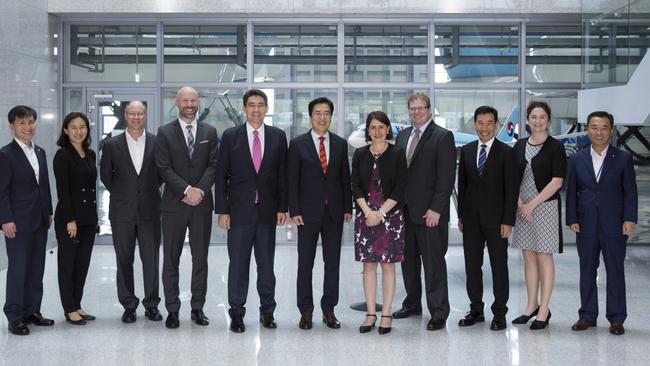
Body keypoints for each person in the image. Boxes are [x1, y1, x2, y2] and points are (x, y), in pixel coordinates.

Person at [215, 89, 288, 333]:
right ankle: (236, 313)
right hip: (239, 213)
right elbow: (221, 175)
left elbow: (282, 176)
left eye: (260, 105)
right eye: (251, 105)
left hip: (267, 213)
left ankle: (268, 311)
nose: (256, 109)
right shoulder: (230, 136)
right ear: (244, 109)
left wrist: (282, 207)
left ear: (267, 109)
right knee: (238, 266)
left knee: (266, 266)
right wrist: (222, 211)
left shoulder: (278, 137)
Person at [566, 111, 637, 336]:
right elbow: (571, 192)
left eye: (604, 127)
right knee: (587, 270)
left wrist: (630, 218)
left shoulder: (623, 158)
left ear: (611, 130)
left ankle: (616, 318)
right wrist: (572, 219)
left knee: (615, 271)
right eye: (594, 127)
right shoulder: (577, 158)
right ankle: (587, 315)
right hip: (586, 224)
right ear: (587, 129)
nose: (599, 132)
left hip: (615, 224)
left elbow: (630, 192)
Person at [155, 87, 218, 329]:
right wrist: (185, 190)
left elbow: (214, 165)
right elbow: (163, 167)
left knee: (200, 258)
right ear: (177, 102)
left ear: (198, 102)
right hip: (174, 204)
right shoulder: (164, 133)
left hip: (201, 204)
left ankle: (197, 308)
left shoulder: (209, 131)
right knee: (171, 259)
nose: (189, 104)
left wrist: (199, 190)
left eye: (193, 100)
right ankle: (172, 309)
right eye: (185, 100)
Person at [393, 93, 456, 331]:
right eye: (412, 109)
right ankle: (412, 304)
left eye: (421, 108)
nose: (416, 112)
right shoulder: (402, 136)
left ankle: (439, 312)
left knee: (433, 265)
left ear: (429, 110)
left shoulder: (442, 137)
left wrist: (436, 209)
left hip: (430, 214)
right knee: (408, 263)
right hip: (404, 212)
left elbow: (446, 177)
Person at [288, 97, 352, 330]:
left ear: (331, 116)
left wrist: (347, 207)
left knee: (332, 263)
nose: (322, 117)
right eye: (318, 113)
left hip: (334, 213)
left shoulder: (340, 143)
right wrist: (294, 210)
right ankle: (306, 311)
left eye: (326, 113)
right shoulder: (297, 144)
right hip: (306, 213)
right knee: (305, 264)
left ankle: (329, 310)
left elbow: (345, 177)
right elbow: (291, 180)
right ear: (311, 116)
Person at [100, 101, 163, 323]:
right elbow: (106, 175)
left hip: (150, 210)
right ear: (126, 116)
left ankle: (152, 305)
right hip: (122, 211)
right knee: (123, 259)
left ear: (145, 115)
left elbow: (162, 173)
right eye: (132, 113)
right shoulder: (111, 144)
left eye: (140, 113)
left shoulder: (157, 142)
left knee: (151, 260)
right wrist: (124, 194)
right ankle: (128, 305)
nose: (136, 117)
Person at [457, 106, 517, 331]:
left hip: (497, 221)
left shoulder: (506, 152)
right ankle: (476, 309)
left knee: (499, 266)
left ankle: (500, 313)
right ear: (474, 124)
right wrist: (461, 215)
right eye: (480, 123)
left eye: (489, 123)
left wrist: (508, 221)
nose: (484, 128)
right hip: (471, 219)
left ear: (496, 125)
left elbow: (511, 190)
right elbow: (461, 186)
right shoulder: (467, 150)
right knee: (472, 266)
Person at [510, 101, 566, 330]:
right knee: (528, 256)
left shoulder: (555, 147)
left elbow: (557, 181)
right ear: (527, 119)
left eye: (542, 117)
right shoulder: (519, 145)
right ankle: (530, 305)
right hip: (522, 207)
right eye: (534, 117)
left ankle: (544, 309)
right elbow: (511, 179)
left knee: (544, 257)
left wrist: (531, 205)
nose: (538, 121)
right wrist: (520, 203)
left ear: (549, 120)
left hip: (545, 207)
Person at [0, 106, 54, 335]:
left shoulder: (40, 151)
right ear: (12, 126)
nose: (27, 127)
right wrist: (6, 219)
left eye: (31, 122)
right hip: (17, 223)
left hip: (39, 220)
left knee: (36, 268)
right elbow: (1, 190)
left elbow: (44, 184)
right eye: (22, 123)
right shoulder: (5, 154)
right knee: (18, 269)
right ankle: (14, 315)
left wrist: (49, 211)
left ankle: (32, 311)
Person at [352, 111, 407, 335]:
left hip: (390, 217)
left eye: (381, 127)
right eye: (373, 127)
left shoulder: (397, 153)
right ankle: (371, 314)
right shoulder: (359, 154)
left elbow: (400, 188)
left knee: (387, 265)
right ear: (368, 131)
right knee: (368, 266)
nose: (377, 131)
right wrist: (367, 212)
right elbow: (355, 185)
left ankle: (386, 314)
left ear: (387, 130)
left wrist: (381, 213)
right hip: (365, 216)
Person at [53, 112, 98, 326]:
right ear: (65, 130)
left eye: (82, 127)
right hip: (70, 220)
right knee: (68, 265)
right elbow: (64, 191)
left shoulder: (90, 155)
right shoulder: (62, 156)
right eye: (73, 127)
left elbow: (91, 190)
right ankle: (69, 308)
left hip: (88, 219)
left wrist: (95, 218)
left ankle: (77, 304)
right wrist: (70, 219)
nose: (78, 131)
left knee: (82, 265)